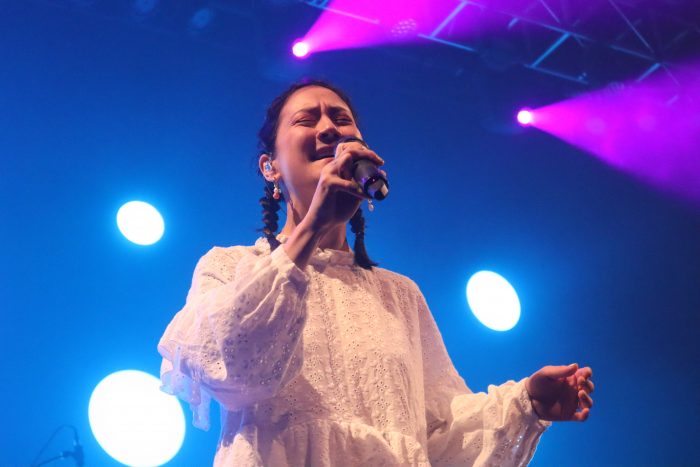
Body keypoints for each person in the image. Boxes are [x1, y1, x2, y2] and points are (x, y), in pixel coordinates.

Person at [157, 80, 595, 466]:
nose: (330, 129)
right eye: (307, 120)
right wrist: (310, 230)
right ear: (270, 167)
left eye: (342, 120)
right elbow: (237, 372)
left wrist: (526, 406)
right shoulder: (232, 267)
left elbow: (437, 440)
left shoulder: (400, 295)